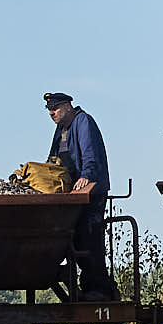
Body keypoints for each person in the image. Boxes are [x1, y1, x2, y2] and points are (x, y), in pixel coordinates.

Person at [45, 91, 116, 297]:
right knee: (73, 238)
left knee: (89, 238)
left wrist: (86, 176)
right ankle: (84, 285)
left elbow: (90, 154)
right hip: (72, 195)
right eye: (49, 109)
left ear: (67, 106)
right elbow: (53, 159)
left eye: (55, 108)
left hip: (91, 193)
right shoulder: (60, 130)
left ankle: (98, 288)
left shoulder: (83, 121)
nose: (51, 113)